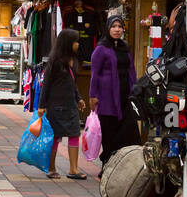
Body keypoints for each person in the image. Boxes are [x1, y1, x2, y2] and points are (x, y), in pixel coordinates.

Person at [89, 14, 139, 171]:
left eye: (120, 27)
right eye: (114, 26)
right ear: (108, 28)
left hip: (125, 97)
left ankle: (125, 167)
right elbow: (94, 74)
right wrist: (92, 95)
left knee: (129, 133)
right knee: (109, 134)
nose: (117, 30)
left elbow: (132, 70)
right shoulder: (101, 49)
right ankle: (107, 167)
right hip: (107, 99)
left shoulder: (125, 47)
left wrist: (136, 90)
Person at [37, 28, 85, 179]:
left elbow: (72, 83)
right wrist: (41, 105)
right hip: (55, 106)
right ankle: (51, 168)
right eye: (75, 41)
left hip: (70, 105)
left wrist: (79, 99)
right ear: (67, 43)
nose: (78, 44)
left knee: (74, 135)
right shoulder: (55, 62)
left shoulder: (74, 60)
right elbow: (46, 84)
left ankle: (73, 169)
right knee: (55, 137)